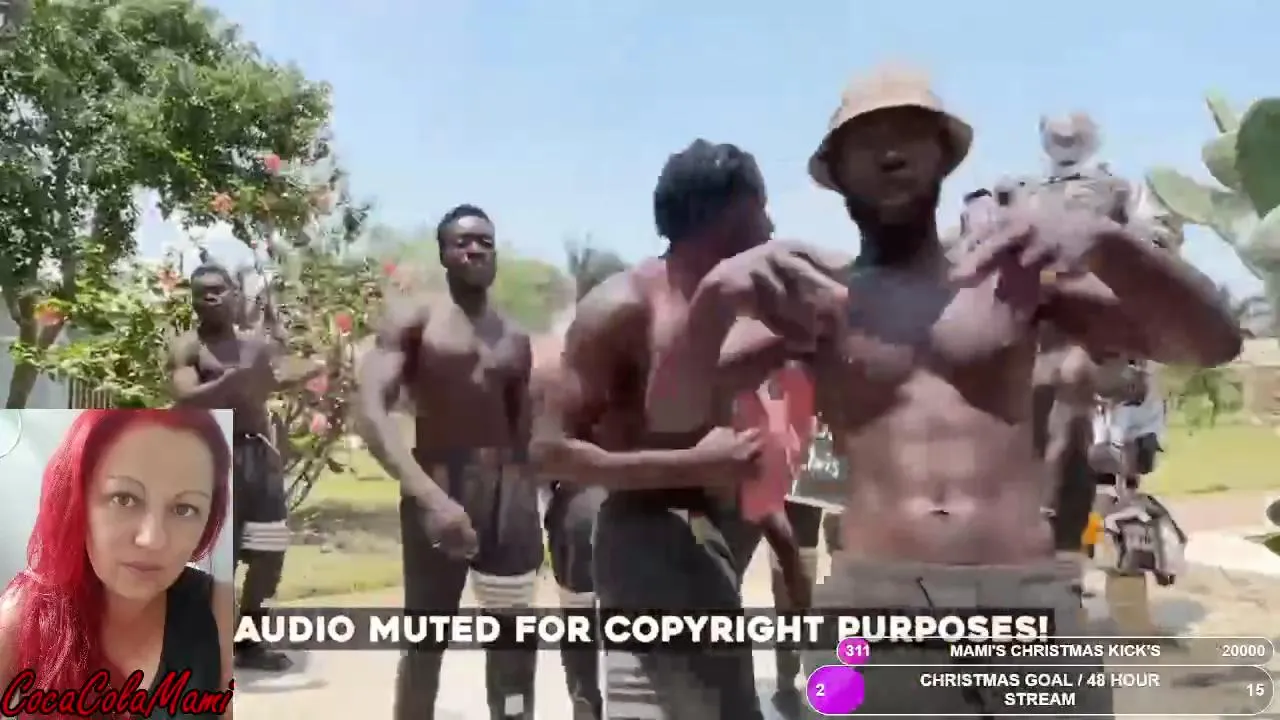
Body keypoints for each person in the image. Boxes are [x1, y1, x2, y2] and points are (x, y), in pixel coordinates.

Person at [645, 66, 1242, 717]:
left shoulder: (1014, 278)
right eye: (866, 141)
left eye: (910, 133)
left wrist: (1108, 244)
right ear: (836, 171)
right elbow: (671, 415)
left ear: (943, 156)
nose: (891, 153)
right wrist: (713, 299)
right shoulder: (817, 299)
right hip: (875, 604)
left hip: (1025, 600)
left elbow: (1209, 344)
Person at [529, 139, 810, 720]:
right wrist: (695, 466)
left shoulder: (732, 307)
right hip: (642, 541)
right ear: (727, 216)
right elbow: (549, 450)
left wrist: (772, 523)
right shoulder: (625, 307)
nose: (771, 226)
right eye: (761, 210)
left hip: (709, 538)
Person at [357, 204, 543, 720]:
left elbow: (521, 432)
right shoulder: (416, 322)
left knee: (513, 637)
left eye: (485, 241)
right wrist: (431, 499)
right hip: (438, 483)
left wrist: (529, 506)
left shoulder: (514, 337)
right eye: (462, 242)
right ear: (443, 254)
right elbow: (370, 412)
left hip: (507, 498)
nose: (476, 249)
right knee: (426, 638)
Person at [0, 409, 234, 716]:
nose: (152, 539)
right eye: (124, 499)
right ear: (75, 501)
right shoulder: (23, 617)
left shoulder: (220, 613)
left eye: (184, 509)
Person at [167, 262, 320, 672]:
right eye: (202, 292)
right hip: (214, 456)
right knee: (217, 557)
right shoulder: (188, 347)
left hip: (259, 457)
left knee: (268, 554)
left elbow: (274, 380)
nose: (210, 297)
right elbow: (186, 397)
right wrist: (231, 382)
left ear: (236, 295)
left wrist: (315, 369)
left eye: (219, 289)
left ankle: (249, 643)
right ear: (193, 300)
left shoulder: (257, 347)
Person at [534, 252, 630, 720]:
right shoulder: (650, 360)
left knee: (578, 618)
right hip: (633, 509)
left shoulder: (556, 365)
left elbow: (539, 455)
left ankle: (585, 704)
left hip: (576, 510)